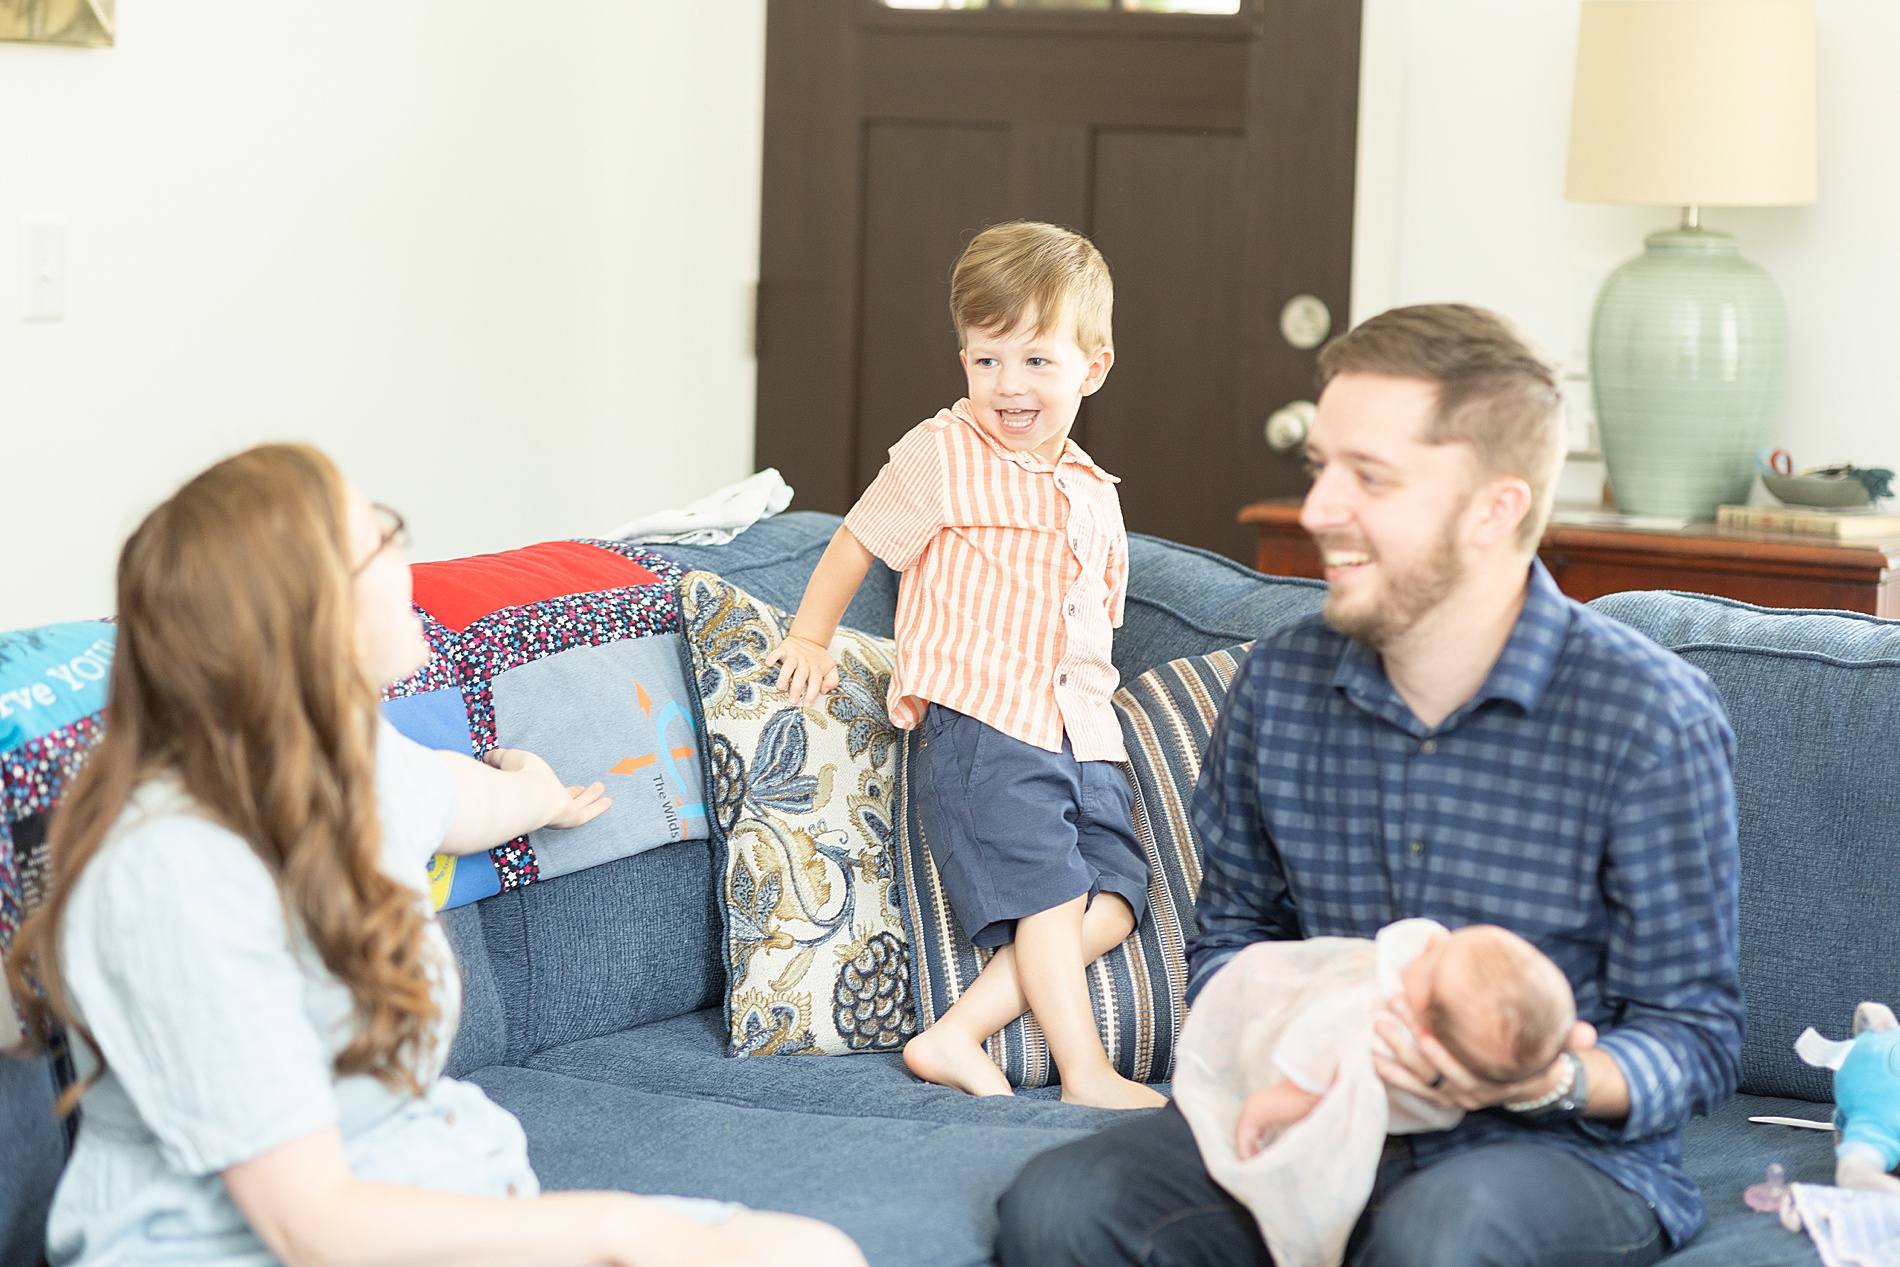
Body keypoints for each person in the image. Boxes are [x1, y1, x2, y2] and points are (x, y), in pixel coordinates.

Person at [996, 303, 1745, 1266]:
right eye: (1320, 468)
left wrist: (1541, 1079)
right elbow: (1233, 940)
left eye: (1370, 477)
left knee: (1442, 1235)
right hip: (1317, 1112)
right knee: (1062, 1206)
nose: (1317, 510)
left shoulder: (1649, 716)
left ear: (1495, 508)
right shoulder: (1277, 686)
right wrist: (1303, 1048)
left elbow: (1695, 1036)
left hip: (1560, 1149)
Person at [5, 444, 864, 1267]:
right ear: (308, 610)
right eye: (377, 534)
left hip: (443, 1190)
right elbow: (309, 1225)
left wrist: (543, 795)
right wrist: (622, 1228)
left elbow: (463, 797)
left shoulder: (346, 761)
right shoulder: (172, 876)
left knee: (811, 1250)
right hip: (248, 1245)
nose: (402, 545)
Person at [762, 221, 1164, 1110]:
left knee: (1121, 891)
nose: (1008, 387)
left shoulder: (1095, 490)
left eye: (1035, 362)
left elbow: (1098, 616)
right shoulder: (942, 455)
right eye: (987, 362)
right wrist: (812, 636)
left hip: (1082, 732)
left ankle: (954, 1033)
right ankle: (1088, 1074)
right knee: (1052, 895)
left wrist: (1097, 712)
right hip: (984, 723)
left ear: (1092, 367)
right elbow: (856, 542)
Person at [1174, 920, 1580, 1267]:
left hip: (1401, 1136)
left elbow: (1317, 1081)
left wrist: (1264, 1107)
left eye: (1434, 960)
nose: (1431, 942)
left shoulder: (1384, 1032)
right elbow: (1571, 1035)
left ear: (1426, 1034)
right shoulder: (1467, 991)